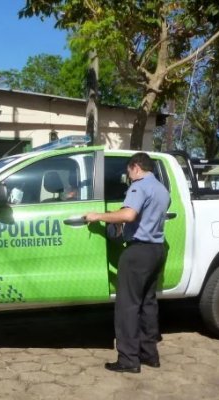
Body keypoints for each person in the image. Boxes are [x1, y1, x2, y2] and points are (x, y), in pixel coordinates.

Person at [85, 152, 170, 374]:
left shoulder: (139, 186)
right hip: (157, 250)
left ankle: (128, 359)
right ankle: (149, 355)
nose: (128, 176)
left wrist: (98, 216)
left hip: (138, 252)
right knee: (148, 304)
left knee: (128, 307)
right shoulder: (161, 189)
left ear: (135, 167)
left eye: (128, 171)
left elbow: (129, 215)